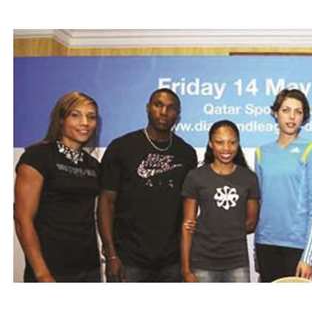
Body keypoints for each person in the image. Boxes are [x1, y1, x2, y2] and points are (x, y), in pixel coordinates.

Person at [98, 88, 197, 282]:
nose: (163, 112)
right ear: (147, 108)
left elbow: (188, 210)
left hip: (172, 261)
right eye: (158, 105)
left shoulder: (187, 153)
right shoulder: (121, 147)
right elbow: (106, 202)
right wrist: (111, 255)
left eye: (171, 108)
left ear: (177, 114)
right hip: (128, 259)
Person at [14, 91, 101, 282]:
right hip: (51, 269)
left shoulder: (93, 165)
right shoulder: (37, 156)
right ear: (61, 119)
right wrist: (42, 273)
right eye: (75, 115)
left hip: (89, 269)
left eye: (91, 117)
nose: (85, 122)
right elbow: (23, 220)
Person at [254, 89, 312, 282]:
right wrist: (256, 247)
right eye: (286, 110)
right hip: (265, 244)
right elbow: (260, 203)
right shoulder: (261, 152)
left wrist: (308, 256)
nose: (292, 116)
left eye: (298, 112)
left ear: (304, 117)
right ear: (276, 113)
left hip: (297, 247)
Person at [180, 120, 259, 282]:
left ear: (238, 143)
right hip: (202, 261)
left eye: (232, 142)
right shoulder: (196, 177)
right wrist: (186, 270)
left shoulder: (249, 178)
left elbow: (251, 223)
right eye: (220, 142)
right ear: (210, 144)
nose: (226, 148)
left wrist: (226, 230)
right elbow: (187, 225)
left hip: (237, 261)